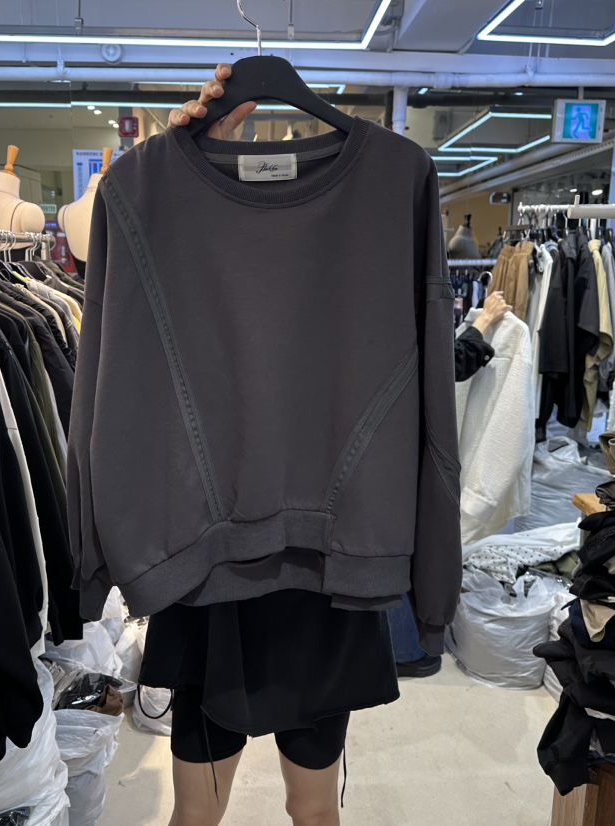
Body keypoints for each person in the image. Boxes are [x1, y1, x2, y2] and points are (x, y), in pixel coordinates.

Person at [143, 64, 403, 826]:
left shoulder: (388, 191)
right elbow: (109, 230)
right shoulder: (163, 195)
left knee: (309, 809)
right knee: (200, 811)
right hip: (212, 551)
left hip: (323, 556)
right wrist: (178, 158)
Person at [390, 290, 512, 678]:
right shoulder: (396, 292)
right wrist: (482, 323)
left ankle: (401, 646)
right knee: (394, 548)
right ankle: (404, 649)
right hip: (396, 450)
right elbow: (445, 364)